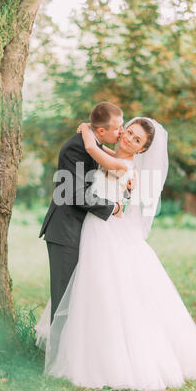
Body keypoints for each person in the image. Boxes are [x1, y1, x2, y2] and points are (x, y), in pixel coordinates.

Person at [36, 117, 196, 391]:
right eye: (129, 132)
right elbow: (100, 153)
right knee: (90, 290)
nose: (129, 138)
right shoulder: (114, 156)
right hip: (93, 229)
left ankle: (108, 359)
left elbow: (95, 151)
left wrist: (87, 131)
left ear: (142, 150)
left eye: (137, 140)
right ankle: (85, 348)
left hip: (105, 232)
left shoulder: (123, 166)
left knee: (108, 291)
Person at [39, 102, 129, 324]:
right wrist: (113, 207)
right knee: (64, 301)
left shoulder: (94, 144)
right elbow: (74, 195)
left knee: (82, 299)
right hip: (66, 231)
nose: (122, 132)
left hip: (86, 233)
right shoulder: (77, 148)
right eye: (118, 128)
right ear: (101, 131)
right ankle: (58, 357)